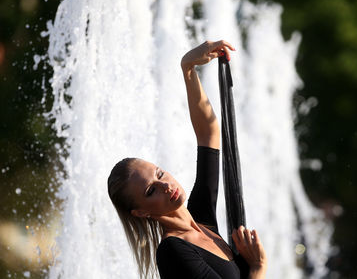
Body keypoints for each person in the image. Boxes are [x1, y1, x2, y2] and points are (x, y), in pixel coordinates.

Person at [108, 40, 267, 279]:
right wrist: (258, 268)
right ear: (141, 212)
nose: (165, 186)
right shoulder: (172, 251)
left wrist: (188, 68)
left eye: (160, 174)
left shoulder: (202, 222)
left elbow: (209, 133)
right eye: (151, 190)